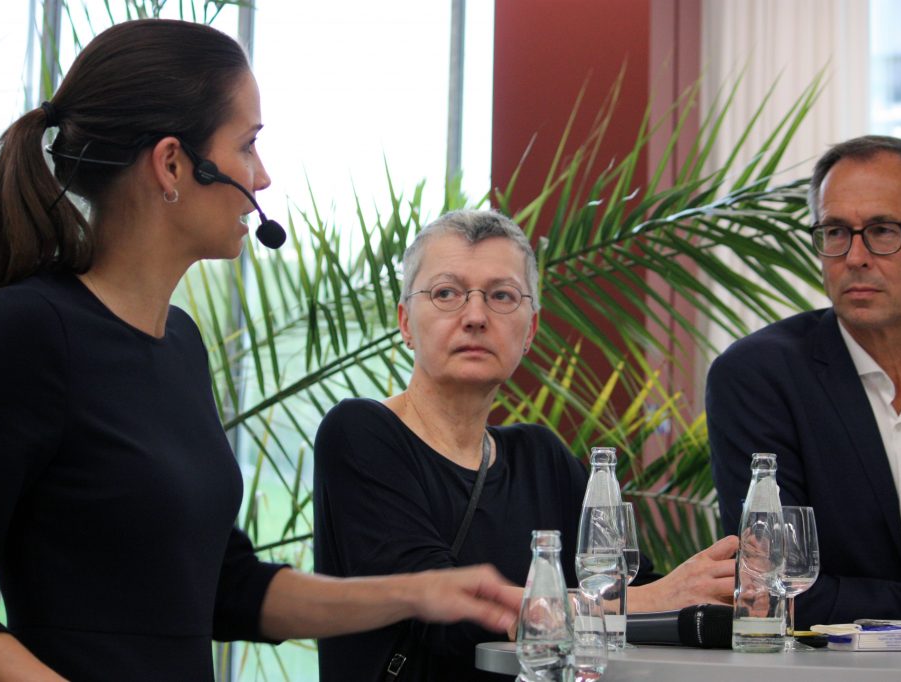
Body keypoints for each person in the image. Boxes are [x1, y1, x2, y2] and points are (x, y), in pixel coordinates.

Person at [0, 20, 521, 682]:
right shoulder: (30, 332)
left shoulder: (180, 344)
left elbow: (227, 585)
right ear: (172, 165)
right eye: (248, 145)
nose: (264, 176)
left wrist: (420, 593)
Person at [314, 209, 739, 681]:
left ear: (531, 330)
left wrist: (715, 595)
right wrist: (652, 600)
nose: (475, 316)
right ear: (406, 323)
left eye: (501, 296)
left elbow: (645, 597)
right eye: (446, 294)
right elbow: (448, 615)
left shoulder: (541, 458)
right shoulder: (360, 433)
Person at [707, 135, 901, 629]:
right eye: (835, 232)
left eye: (882, 230)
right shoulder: (758, 378)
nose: (854, 256)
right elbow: (779, 587)